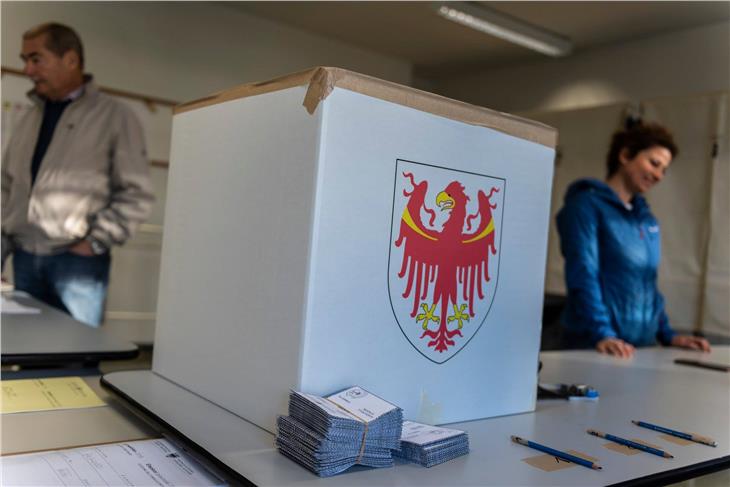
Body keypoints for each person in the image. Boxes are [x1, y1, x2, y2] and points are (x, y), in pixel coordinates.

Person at [1, 22, 154, 327]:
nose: (28, 70)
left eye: (36, 59)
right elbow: (6, 188)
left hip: (77, 265)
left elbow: (136, 193)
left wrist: (94, 243)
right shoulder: (29, 118)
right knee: (28, 357)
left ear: (70, 60)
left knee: (77, 358)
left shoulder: (115, 116)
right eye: (24, 60)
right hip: (24, 259)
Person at [556, 122, 710, 358]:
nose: (659, 175)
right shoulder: (585, 206)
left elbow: (648, 283)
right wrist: (603, 334)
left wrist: (668, 334)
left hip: (638, 348)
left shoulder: (646, 219)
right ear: (626, 155)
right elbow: (583, 274)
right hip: (595, 345)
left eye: (664, 170)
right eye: (654, 163)